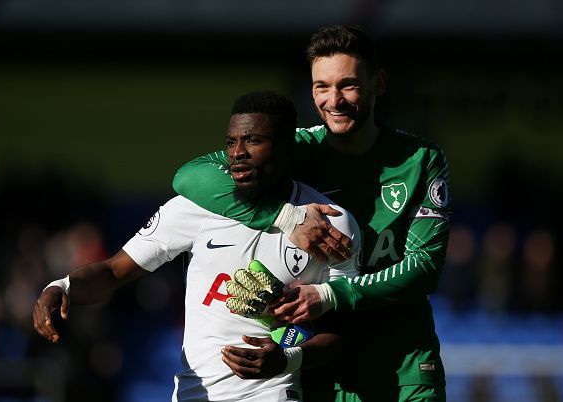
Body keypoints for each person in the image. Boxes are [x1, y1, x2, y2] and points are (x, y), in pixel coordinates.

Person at [172, 26, 451, 401]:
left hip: (402, 372)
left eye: (348, 85)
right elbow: (190, 175)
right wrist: (286, 217)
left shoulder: (421, 160)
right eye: (321, 86)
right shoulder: (296, 150)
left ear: (378, 84)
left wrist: (330, 294)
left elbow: (424, 268)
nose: (333, 100)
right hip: (320, 376)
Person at [33, 91, 361, 402]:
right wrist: (62, 286)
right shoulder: (196, 207)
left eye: (254, 140)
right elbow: (113, 271)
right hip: (194, 392)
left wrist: (287, 359)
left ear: (288, 147)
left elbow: (340, 330)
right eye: (232, 142)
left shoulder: (329, 224)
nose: (238, 153)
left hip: (270, 391)